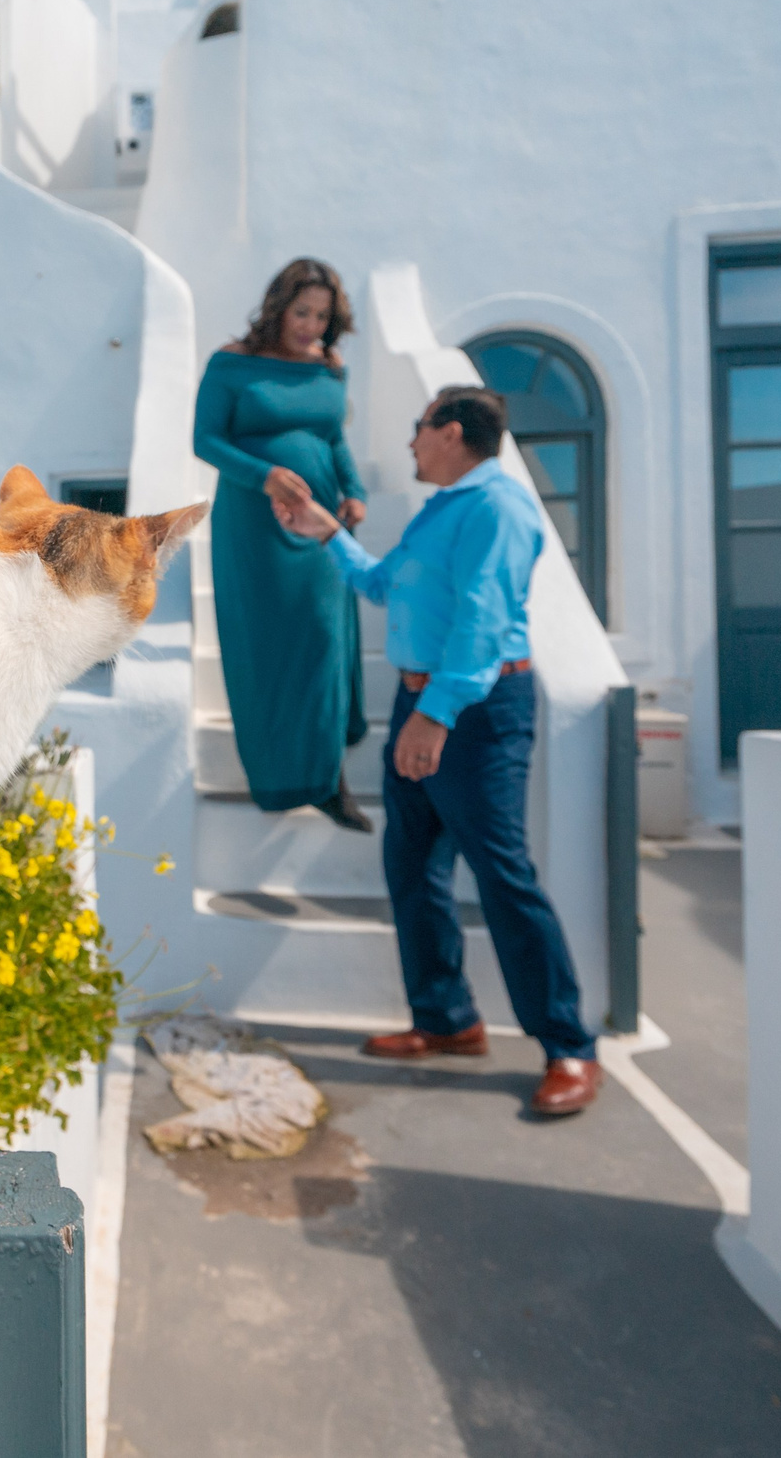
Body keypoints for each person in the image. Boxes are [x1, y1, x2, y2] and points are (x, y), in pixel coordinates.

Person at [274, 385, 600, 1117]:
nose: (413, 442)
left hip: (473, 712)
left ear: (451, 431)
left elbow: (484, 623)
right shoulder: (443, 509)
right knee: (413, 866)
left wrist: (434, 715)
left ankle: (571, 1046)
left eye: (419, 428)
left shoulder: (498, 507)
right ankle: (447, 1019)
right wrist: (325, 531)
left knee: (503, 875)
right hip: (425, 703)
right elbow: (382, 584)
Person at [192, 261, 373, 828]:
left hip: (317, 522)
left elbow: (333, 437)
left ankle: (328, 779)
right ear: (278, 307)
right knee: (269, 650)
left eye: (322, 316)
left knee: (325, 640)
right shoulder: (233, 364)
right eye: (302, 312)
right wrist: (263, 475)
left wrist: (355, 490)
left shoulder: (329, 368)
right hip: (254, 523)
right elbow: (205, 440)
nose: (311, 326)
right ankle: (280, 775)